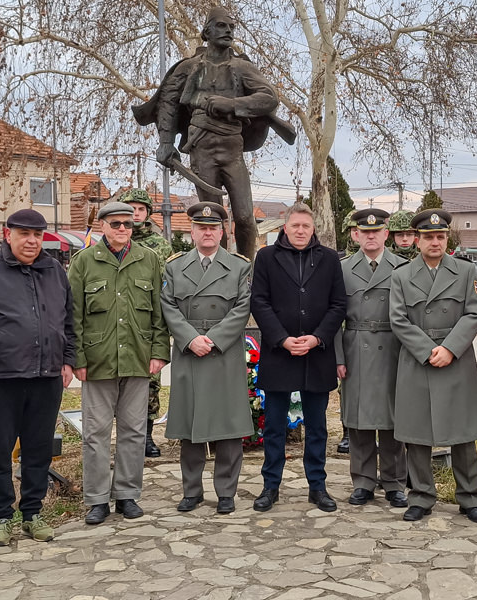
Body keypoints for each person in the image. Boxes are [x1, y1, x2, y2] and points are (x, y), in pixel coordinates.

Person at [134, 7, 295, 259]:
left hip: (232, 149)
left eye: (231, 27)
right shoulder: (188, 68)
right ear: (206, 32)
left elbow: (269, 98)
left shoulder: (242, 68)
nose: (228, 31)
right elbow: (168, 102)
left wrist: (231, 105)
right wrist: (166, 142)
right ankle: (219, 271)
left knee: (244, 217)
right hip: (202, 150)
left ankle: (246, 270)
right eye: (222, 26)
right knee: (212, 217)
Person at [0, 208, 76, 546]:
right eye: (24, 234)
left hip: (46, 376)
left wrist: (68, 359)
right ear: (6, 233)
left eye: (37, 235)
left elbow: (68, 320)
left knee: (38, 449)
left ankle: (32, 513)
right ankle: (0, 516)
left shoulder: (54, 270)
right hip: (0, 377)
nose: (31, 241)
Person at [69, 202, 170, 525]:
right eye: (116, 224)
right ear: (103, 226)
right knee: (96, 433)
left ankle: (127, 494)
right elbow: (73, 316)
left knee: (134, 431)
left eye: (127, 224)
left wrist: (158, 352)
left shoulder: (148, 260)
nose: (123, 229)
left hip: (138, 359)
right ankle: (97, 499)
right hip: (97, 361)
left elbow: (159, 311)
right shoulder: (83, 262)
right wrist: (78, 359)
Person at [389, 209, 477, 523]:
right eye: (429, 237)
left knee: (462, 431)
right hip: (418, 360)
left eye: (440, 236)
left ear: (447, 238)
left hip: (455, 360)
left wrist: (450, 349)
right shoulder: (401, 275)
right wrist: (428, 349)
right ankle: (421, 497)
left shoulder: (465, 271)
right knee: (416, 433)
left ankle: (470, 498)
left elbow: (474, 314)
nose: (435, 242)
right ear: (417, 240)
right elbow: (398, 319)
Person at [249, 202, 347, 512]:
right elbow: (259, 302)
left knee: (317, 427)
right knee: (275, 426)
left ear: (313, 228)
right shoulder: (266, 257)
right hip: (280, 353)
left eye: (306, 226)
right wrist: (282, 339)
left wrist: (318, 337)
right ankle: (270, 486)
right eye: (295, 226)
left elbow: (338, 305)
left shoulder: (330, 259)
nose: (301, 231)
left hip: (316, 354)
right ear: (285, 228)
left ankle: (317, 486)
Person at [161, 202, 254, 514]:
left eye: (213, 227)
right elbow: (168, 306)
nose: (208, 233)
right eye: (202, 227)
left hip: (223, 354)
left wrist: (213, 340)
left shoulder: (240, 266)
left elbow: (243, 308)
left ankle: (226, 491)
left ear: (223, 231)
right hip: (190, 354)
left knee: (227, 427)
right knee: (191, 426)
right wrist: (190, 339)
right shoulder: (174, 267)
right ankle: (192, 491)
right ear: (192, 231)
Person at [335, 208, 409, 509]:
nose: (370, 236)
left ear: (385, 234)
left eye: (376, 231)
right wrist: (338, 357)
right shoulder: (342, 269)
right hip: (356, 346)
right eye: (364, 231)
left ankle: (393, 483)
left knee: (392, 419)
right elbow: (333, 318)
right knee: (359, 419)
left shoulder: (403, 267)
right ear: (355, 234)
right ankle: (363, 481)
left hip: (392, 348)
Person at [122, 188, 172, 458]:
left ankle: (147, 437)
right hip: (121, 320)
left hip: (150, 322)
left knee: (151, 382)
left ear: (148, 213)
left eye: (140, 209)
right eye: (130, 209)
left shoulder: (161, 245)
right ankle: (127, 437)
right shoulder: (115, 241)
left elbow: (168, 285)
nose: (135, 214)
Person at [336, 212, 358, 454]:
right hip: (349, 337)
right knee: (347, 391)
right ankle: (347, 432)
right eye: (353, 230)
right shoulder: (341, 264)